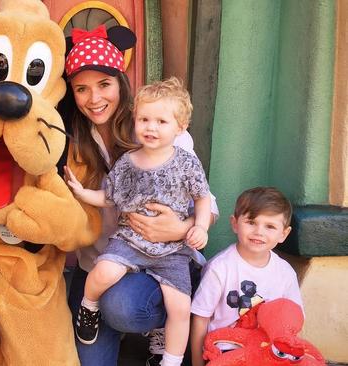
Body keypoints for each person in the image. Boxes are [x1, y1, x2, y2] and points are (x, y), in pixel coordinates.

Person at [60, 25, 219, 366]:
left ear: (121, 82)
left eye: (104, 84)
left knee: (123, 308)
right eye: (81, 89)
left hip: (162, 260)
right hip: (103, 261)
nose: (94, 98)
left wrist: (182, 228)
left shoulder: (165, 130)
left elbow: (207, 203)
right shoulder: (69, 137)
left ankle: (161, 332)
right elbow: (103, 197)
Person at [189, 186, 302, 366]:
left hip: (268, 351)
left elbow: (291, 322)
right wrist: (196, 362)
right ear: (235, 223)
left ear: (284, 234)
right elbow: (200, 319)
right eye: (251, 222)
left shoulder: (285, 272)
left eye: (270, 226)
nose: (259, 232)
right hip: (225, 348)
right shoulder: (220, 268)